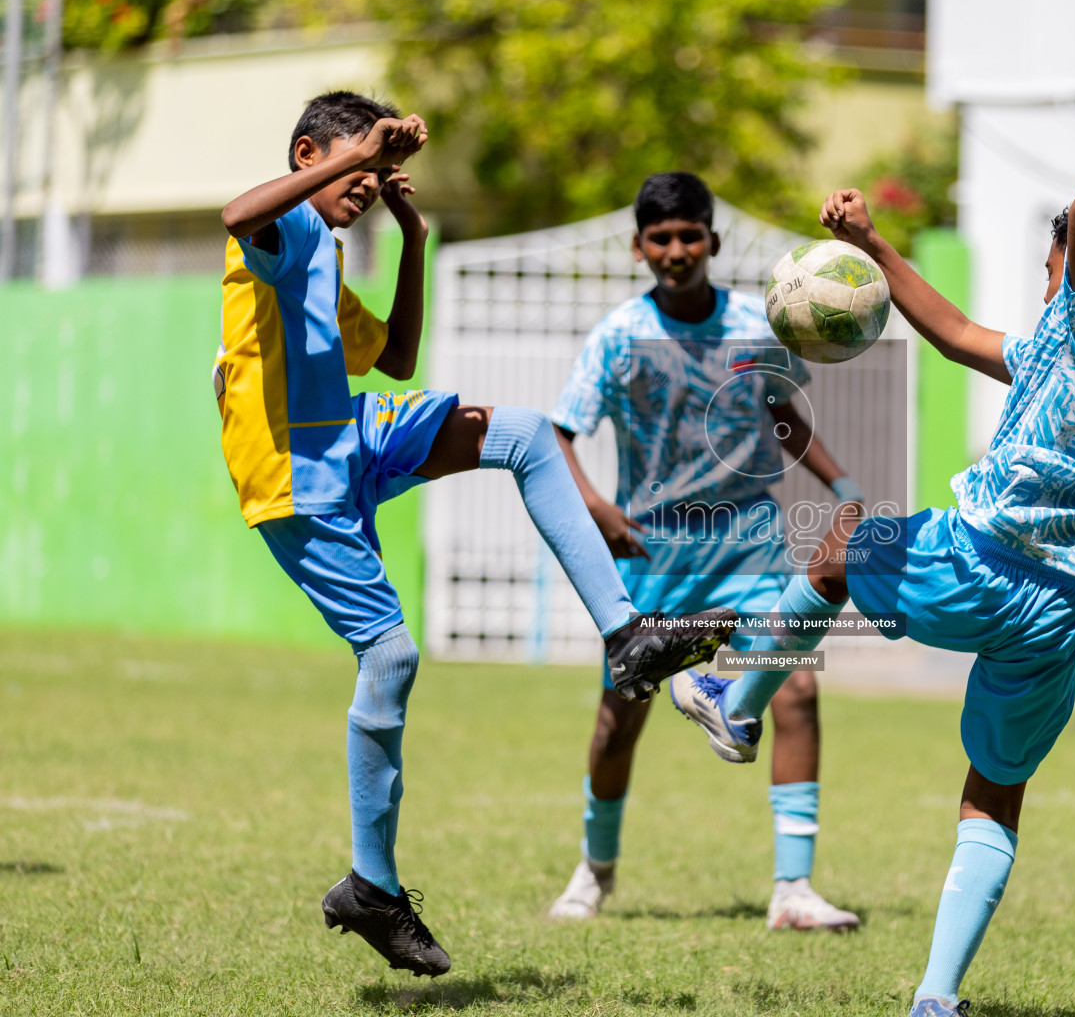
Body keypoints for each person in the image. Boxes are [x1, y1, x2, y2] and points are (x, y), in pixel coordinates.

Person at [669, 84, 1075, 1015]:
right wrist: (875, 251)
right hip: (1060, 612)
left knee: (839, 546)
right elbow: (963, 337)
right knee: (992, 800)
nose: (1048, 281)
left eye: (1054, 268)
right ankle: (936, 998)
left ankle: (738, 699)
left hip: (983, 562)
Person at [215, 94, 735, 977]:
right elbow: (235, 215)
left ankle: (629, 633)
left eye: (380, 179)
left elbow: (398, 358)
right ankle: (371, 887)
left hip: (350, 434)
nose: (369, 188)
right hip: (293, 478)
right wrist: (352, 161)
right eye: (358, 169)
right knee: (390, 660)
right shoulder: (280, 234)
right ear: (310, 153)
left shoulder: (327, 253)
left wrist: (414, 239)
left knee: (527, 434)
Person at [544, 173, 861, 931]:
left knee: (797, 695)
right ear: (638, 247)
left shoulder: (757, 325)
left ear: (713, 242)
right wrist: (601, 511)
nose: (676, 250)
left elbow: (783, 416)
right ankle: (595, 870)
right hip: (655, 555)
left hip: (749, 549)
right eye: (661, 238)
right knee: (620, 721)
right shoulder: (619, 334)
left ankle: (793, 890)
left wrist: (844, 484)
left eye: (690, 236)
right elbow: (557, 436)